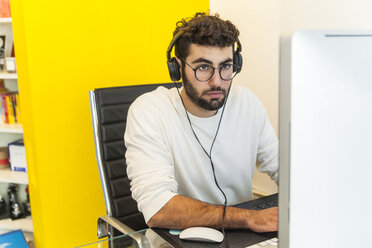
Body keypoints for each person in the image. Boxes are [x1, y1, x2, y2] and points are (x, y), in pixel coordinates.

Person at [124, 12, 278, 233]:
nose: (217, 81)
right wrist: (248, 218)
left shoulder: (247, 102)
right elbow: (158, 209)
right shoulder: (150, 111)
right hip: (180, 240)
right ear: (177, 67)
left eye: (226, 67)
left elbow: (284, 167)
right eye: (203, 67)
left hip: (242, 236)